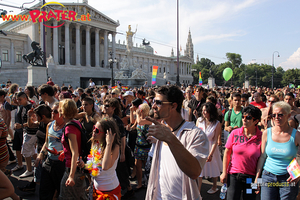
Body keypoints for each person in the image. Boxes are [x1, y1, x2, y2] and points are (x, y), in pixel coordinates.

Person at [145, 85, 209, 200]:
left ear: (173, 106)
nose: (153, 106)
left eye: (159, 102)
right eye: (154, 101)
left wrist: (170, 138)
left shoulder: (195, 134)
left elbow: (194, 172)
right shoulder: (162, 130)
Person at [256, 101, 300, 199]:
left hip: (288, 178)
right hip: (268, 176)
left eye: (280, 115)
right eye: (274, 115)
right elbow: (262, 157)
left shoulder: (296, 135)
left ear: (288, 115)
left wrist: (298, 173)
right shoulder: (266, 133)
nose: (276, 117)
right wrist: (257, 178)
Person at [220, 105, 262, 200]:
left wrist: (259, 180)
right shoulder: (235, 133)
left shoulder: (262, 137)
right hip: (234, 175)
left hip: (251, 178)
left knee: (250, 198)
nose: (244, 119)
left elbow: (262, 160)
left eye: (248, 118)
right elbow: (227, 153)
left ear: (256, 121)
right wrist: (224, 172)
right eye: (243, 117)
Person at [78, 117, 121, 199]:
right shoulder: (95, 143)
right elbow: (94, 167)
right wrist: (83, 165)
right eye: (94, 127)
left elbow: (105, 167)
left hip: (109, 191)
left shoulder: (114, 147)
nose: (93, 131)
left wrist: (109, 144)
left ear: (106, 134)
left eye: (97, 130)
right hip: (95, 189)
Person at [58, 99, 87, 200]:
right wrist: (64, 152)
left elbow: (75, 152)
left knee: (66, 196)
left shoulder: (69, 128)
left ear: (62, 111)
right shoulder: (76, 122)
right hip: (75, 166)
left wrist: (71, 176)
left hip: (73, 168)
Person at [196, 102, 222, 194]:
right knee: (200, 170)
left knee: (213, 167)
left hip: (211, 148)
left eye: (206, 111)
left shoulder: (217, 123)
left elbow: (215, 140)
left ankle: (215, 186)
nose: (204, 113)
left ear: (210, 112)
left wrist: (211, 154)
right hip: (200, 147)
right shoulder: (199, 120)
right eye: (202, 110)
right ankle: (198, 192)